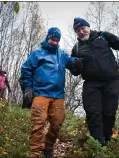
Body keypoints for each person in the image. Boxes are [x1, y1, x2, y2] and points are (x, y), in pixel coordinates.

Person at [70, 17, 119, 146]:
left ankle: (107, 139)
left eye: (83, 28)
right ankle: (98, 144)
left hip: (111, 80)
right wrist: (75, 66)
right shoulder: (77, 48)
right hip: (91, 83)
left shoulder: (103, 36)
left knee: (109, 111)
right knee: (93, 112)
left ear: (88, 27)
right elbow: (74, 71)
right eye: (78, 30)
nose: (81, 31)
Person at [21, 27, 82, 158]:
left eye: (57, 40)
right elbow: (26, 69)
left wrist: (78, 58)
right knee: (39, 123)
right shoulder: (38, 54)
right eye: (52, 39)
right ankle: (36, 153)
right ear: (47, 38)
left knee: (57, 122)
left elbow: (73, 63)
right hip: (40, 93)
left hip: (58, 95)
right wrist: (28, 88)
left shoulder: (62, 55)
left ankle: (48, 148)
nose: (54, 42)